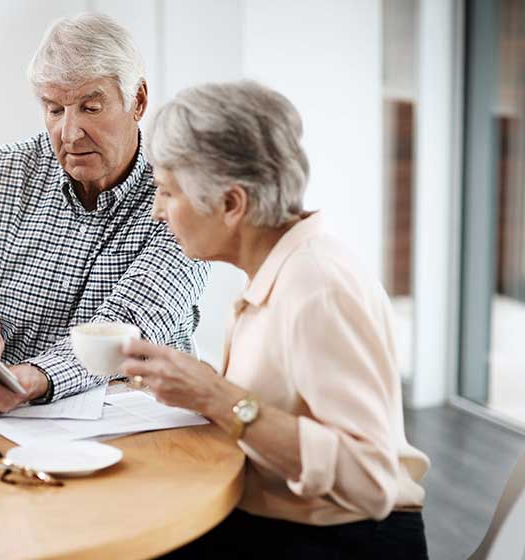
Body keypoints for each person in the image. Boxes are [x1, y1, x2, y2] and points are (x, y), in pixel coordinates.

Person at [122, 80, 430, 558]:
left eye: (166, 192)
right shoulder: (276, 270)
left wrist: (220, 398)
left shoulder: (317, 289)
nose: (158, 212)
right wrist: (199, 387)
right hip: (288, 523)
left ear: (231, 204)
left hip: (350, 540)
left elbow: (372, 481)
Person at [0, 13, 208, 416]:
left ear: (137, 101)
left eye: (91, 107)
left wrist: (31, 380)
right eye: (54, 109)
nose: (69, 133)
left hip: (140, 428)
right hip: (6, 423)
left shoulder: (181, 193)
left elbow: (124, 336)